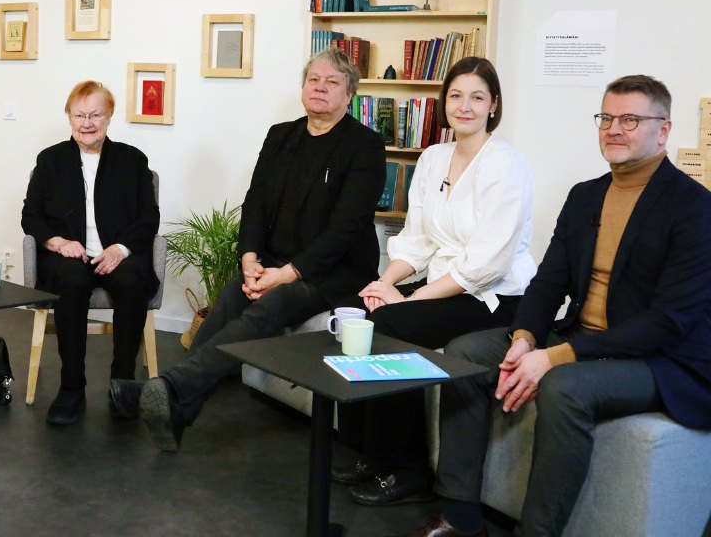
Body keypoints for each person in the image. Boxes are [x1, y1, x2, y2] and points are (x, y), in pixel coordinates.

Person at [404, 75, 711, 537]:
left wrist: (555, 357)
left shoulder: (694, 207)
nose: (614, 129)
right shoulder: (586, 194)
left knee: (564, 387)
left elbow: (667, 323)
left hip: (663, 359)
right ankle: (462, 517)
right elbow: (548, 283)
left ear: (663, 130)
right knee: (465, 352)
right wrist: (525, 338)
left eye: (630, 119)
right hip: (583, 335)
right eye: (606, 118)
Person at [109, 47, 386, 451]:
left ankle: (169, 388)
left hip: (334, 272)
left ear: (349, 95)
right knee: (231, 297)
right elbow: (255, 202)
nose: (320, 88)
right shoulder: (281, 135)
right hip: (272, 260)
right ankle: (176, 400)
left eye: (332, 82)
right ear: (303, 87)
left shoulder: (365, 145)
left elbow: (347, 228)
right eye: (313, 80)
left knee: (273, 303)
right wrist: (250, 258)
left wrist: (287, 274)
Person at [331, 57, 536, 506]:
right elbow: (417, 239)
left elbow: (486, 263)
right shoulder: (433, 158)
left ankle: (409, 471)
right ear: (445, 102)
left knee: (393, 325)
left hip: (494, 295)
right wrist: (384, 284)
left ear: (493, 105)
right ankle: (370, 451)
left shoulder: (505, 165)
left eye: (477, 97)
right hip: (445, 283)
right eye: (456, 95)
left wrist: (411, 300)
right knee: (359, 310)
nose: (465, 106)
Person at [22, 81, 160, 426]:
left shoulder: (132, 160)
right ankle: (71, 388)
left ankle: (123, 383)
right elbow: (31, 216)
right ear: (69, 117)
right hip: (69, 257)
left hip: (119, 254)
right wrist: (58, 242)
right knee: (70, 281)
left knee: (132, 280)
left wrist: (121, 249)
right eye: (79, 115)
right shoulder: (50, 160)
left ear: (109, 116)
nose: (87, 123)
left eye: (95, 115)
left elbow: (149, 217)